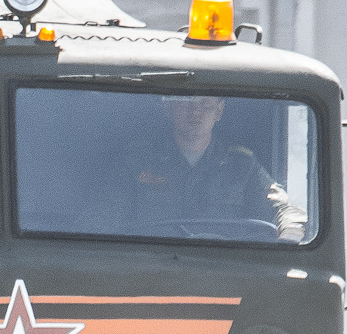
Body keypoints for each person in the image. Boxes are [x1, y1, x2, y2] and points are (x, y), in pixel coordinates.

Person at [129, 95, 307, 240]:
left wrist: (290, 231)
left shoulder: (242, 164)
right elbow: (109, 216)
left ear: (219, 111)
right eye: (186, 102)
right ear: (168, 108)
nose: (196, 112)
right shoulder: (138, 162)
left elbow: (282, 208)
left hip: (225, 267)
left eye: (206, 104)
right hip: (155, 265)